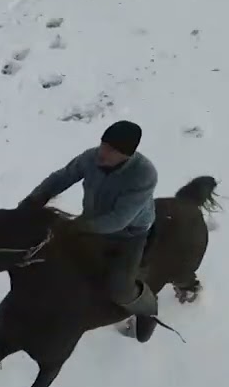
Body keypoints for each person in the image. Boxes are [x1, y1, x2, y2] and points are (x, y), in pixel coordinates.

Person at [19, 120, 160, 343]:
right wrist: (36, 198)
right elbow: (62, 177)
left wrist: (76, 226)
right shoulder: (91, 157)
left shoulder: (144, 175)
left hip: (129, 234)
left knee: (119, 288)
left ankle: (148, 309)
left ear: (128, 155)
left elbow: (119, 220)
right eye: (103, 144)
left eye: (111, 150)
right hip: (91, 221)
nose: (103, 153)